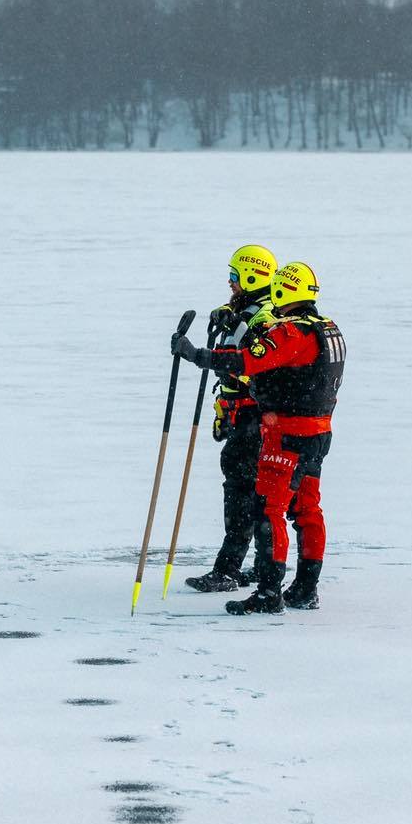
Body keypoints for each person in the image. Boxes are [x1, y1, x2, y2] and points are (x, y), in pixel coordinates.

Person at [172, 262, 345, 615]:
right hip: (318, 433)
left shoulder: (292, 333)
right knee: (307, 510)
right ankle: (305, 589)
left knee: (269, 510)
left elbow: (246, 361)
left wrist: (195, 355)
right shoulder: (329, 328)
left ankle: (268, 593)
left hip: (287, 436)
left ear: (283, 290)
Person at [185, 244, 276, 594]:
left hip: (256, 416)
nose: (230, 282)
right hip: (244, 413)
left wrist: (198, 355)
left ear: (252, 277)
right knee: (250, 488)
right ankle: (260, 565)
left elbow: (248, 366)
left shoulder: (263, 318)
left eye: (235, 276)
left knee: (242, 489)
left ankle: (228, 569)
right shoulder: (249, 309)